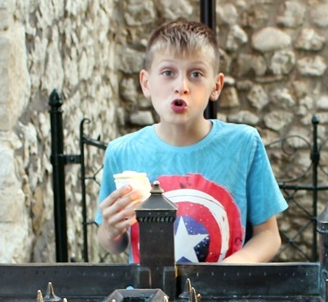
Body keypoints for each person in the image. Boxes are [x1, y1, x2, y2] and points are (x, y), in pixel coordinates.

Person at [95, 20, 287, 264]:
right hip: (150, 288)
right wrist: (110, 229)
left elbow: (269, 235)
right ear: (146, 83)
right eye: (168, 73)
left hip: (224, 289)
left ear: (216, 86)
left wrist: (228, 270)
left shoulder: (244, 144)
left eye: (196, 74)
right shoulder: (122, 152)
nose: (181, 87)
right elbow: (115, 244)